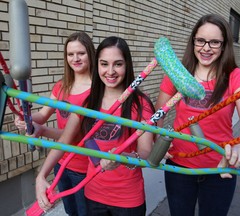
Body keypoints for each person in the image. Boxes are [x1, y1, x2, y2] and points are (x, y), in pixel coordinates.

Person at [155, 14, 240, 216]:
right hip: (179, 166)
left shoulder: (235, 76)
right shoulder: (178, 73)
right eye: (201, 40)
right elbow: (158, 115)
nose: (206, 48)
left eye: (214, 42)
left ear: (224, 46)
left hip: (220, 168)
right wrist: (160, 136)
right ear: (193, 41)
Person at [36, 36, 155, 216]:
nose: (110, 71)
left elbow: (147, 153)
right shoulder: (87, 103)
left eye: (118, 64)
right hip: (93, 195)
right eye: (104, 64)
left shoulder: (140, 103)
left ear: (127, 65)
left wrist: (124, 157)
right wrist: (41, 176)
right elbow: (64, 141)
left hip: (128, 199)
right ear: (97, 64)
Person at [15, 31, 95, 216]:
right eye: (70, 54)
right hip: (61, 163)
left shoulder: (96, 91)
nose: (75, 58)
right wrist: (26, 117)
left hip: (84, 167)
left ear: (90, 53)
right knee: (70, 211)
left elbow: (76, 136)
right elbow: (42, 115)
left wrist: (41, 130)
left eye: (80, 53)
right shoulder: (62, 85)